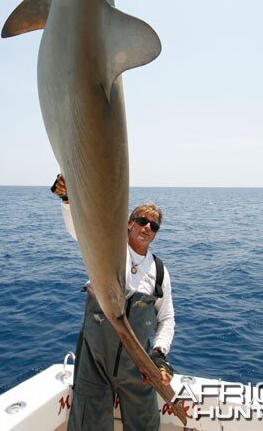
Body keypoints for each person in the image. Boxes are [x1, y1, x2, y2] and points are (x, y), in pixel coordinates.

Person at [51, 173, 175, 431]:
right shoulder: (106, 248)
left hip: (137, 369)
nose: (147, 228)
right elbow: (80, 229)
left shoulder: (159, 271)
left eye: (154, 226)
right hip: (94, 363)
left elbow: (166, 318)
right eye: (142, 221)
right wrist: (67, 199)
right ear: (129, 224)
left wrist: (159, 354)